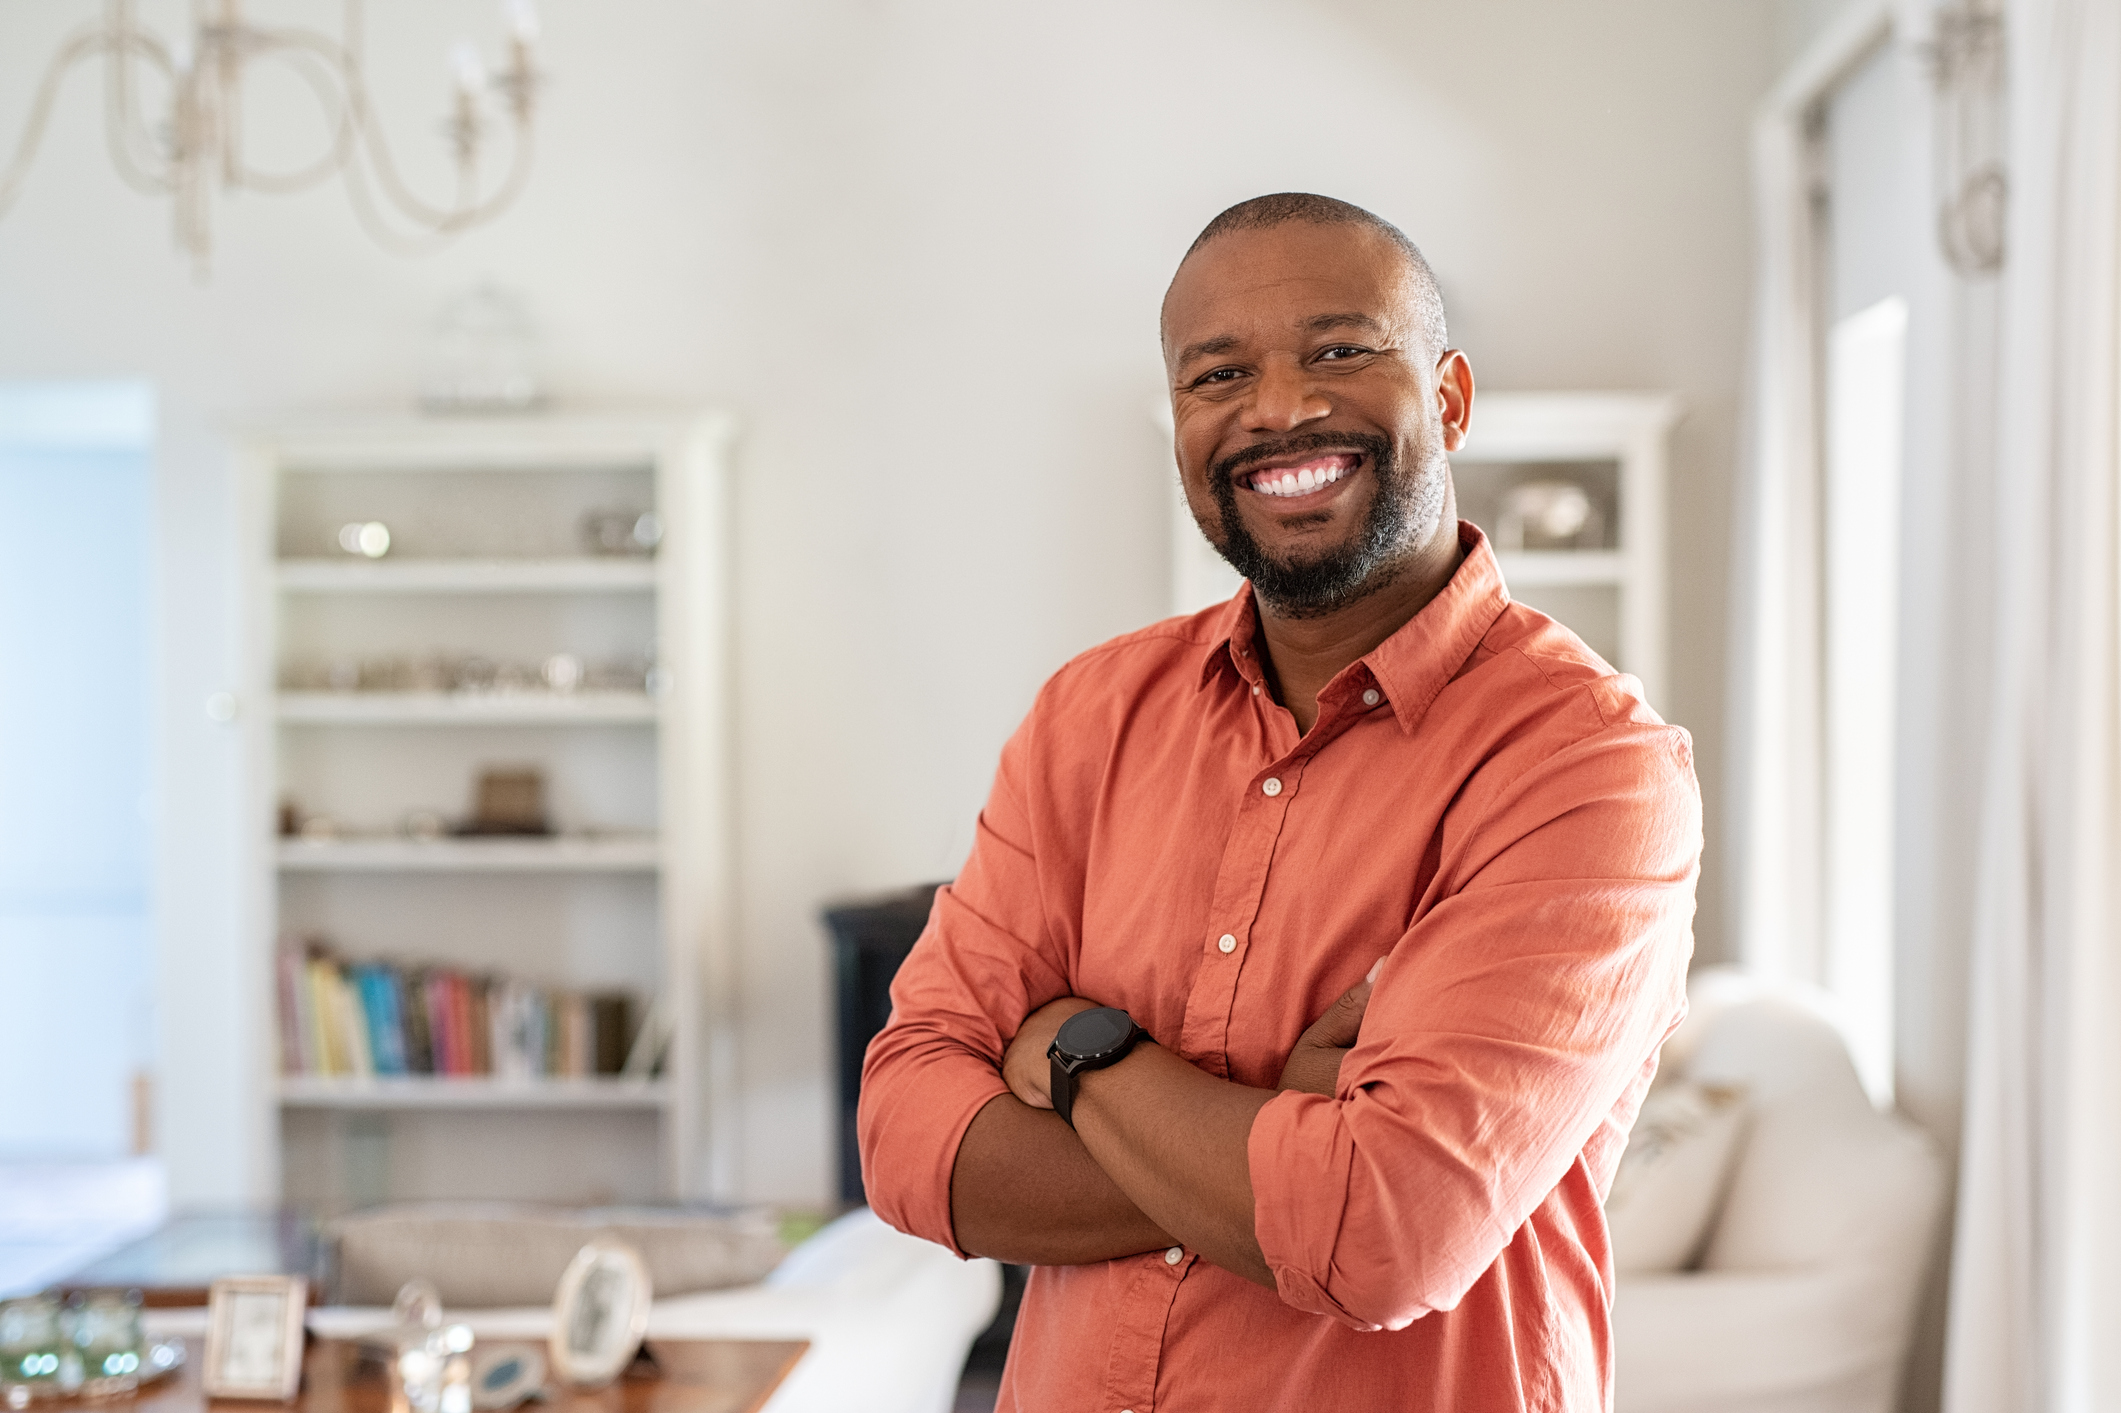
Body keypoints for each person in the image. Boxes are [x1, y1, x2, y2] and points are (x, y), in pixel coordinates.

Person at [858, 193, 1701, 1412]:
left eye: (1339, 350)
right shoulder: (1089, 717)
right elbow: (903, 1136)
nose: (1278, 408)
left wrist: (1086, 1058)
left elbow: (1384, 1230)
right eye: (1218, 375)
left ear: (1451, 398)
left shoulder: (1587, 767)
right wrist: (1277, 1129)